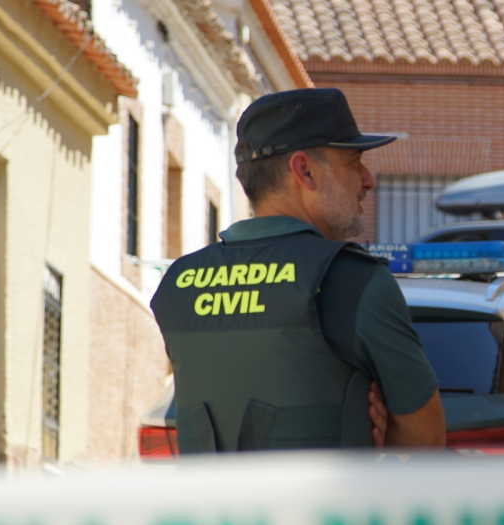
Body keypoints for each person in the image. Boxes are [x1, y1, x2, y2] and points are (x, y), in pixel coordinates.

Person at [150, 88, 445, 453]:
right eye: (354, 161)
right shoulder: (352, 280)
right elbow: (426, 441)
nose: (367, 179)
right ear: (304, 170)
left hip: (212, 511)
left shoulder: (177, 285)